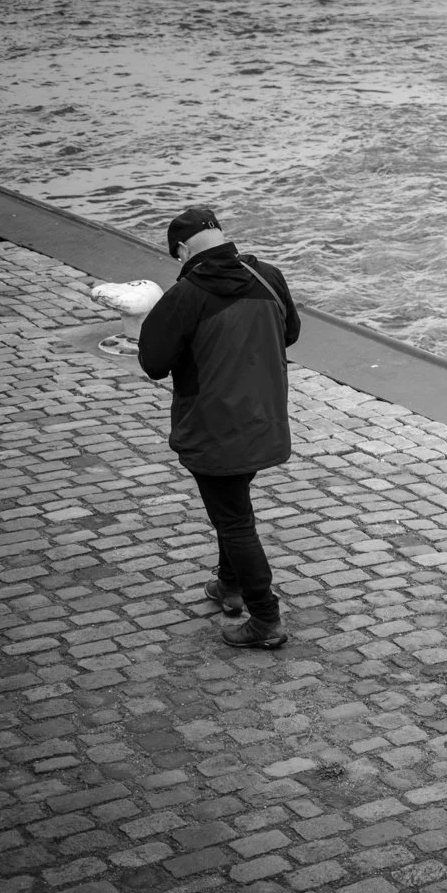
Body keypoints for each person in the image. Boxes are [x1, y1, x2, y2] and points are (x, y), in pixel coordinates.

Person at [138, 207, 301, 649]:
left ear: (183, 249)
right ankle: (228, 586)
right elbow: (289, 333)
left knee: (233, 520)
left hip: (210, 425)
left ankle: (265, 619)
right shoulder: (268, 275)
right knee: (234, 506)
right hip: (263, 416)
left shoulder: (185, 294)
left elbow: (153, 363)